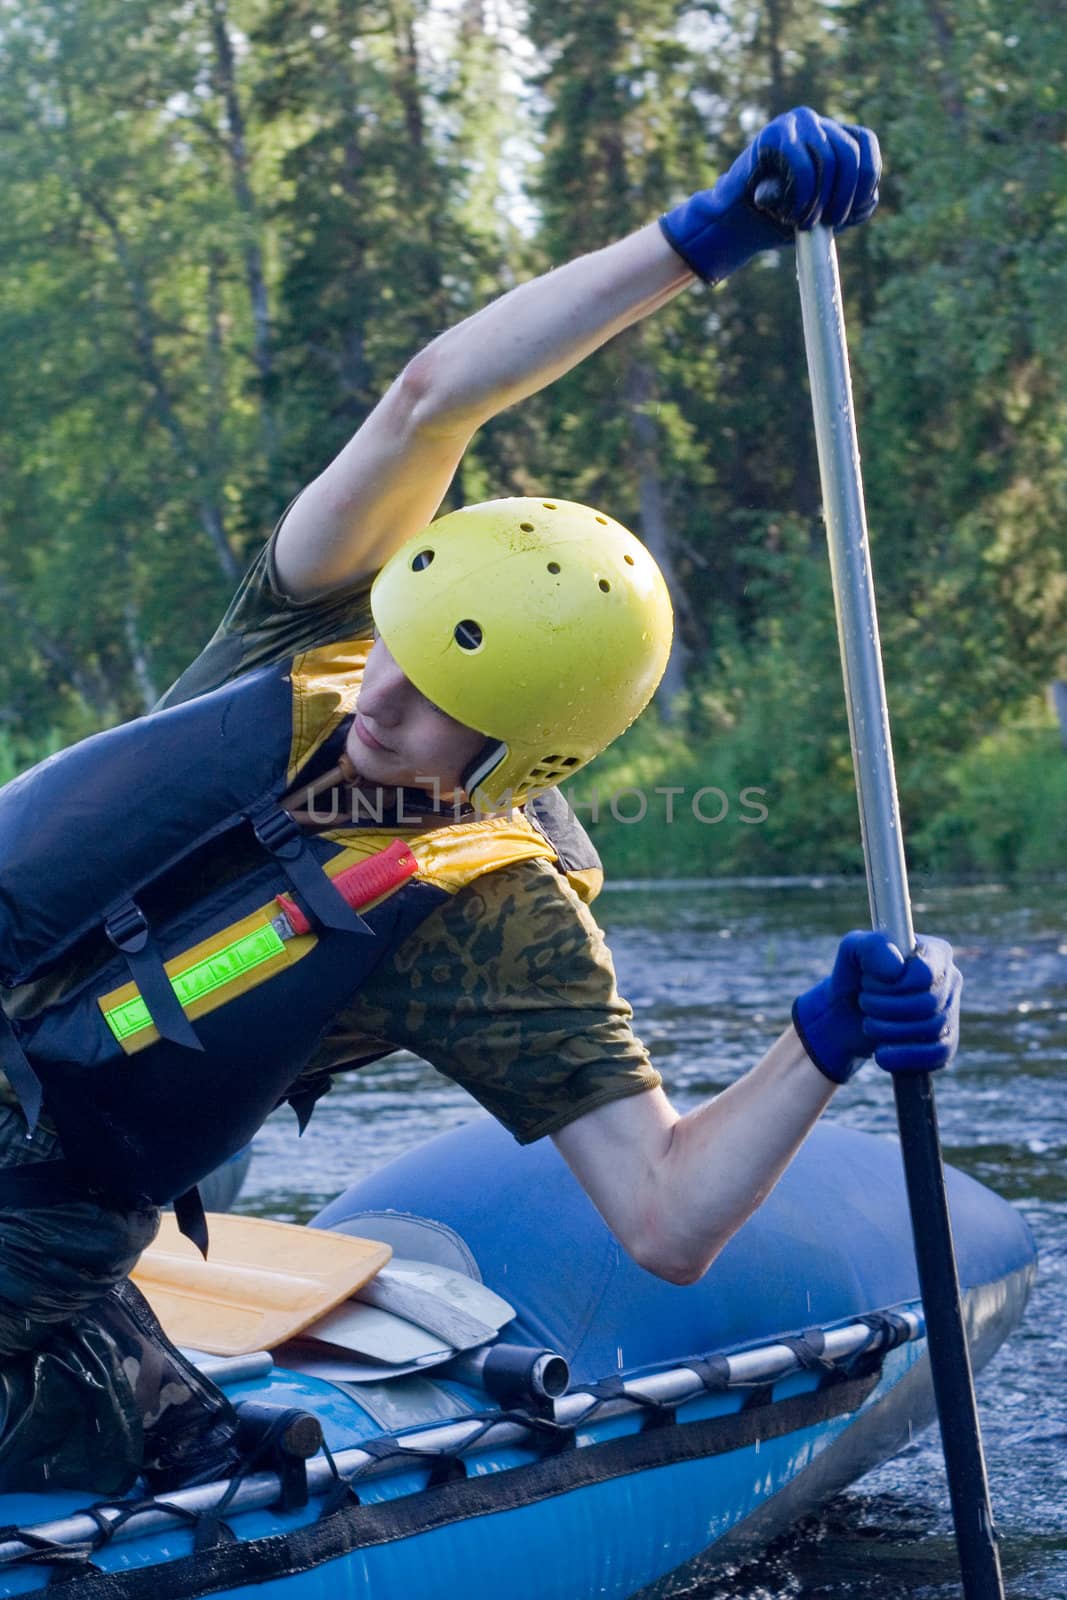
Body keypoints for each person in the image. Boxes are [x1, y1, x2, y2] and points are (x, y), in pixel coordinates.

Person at [0, 107, 961, 1495]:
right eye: (396, 644)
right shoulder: (318, 629)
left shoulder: (493, 918)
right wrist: (699, 239)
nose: (376, 700)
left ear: (536, 754)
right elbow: (431, 398)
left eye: (438, 705)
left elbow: (667, 1214)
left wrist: (825, 1038)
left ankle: (101, 1389)